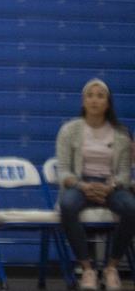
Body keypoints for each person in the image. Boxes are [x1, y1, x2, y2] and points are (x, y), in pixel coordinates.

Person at [56, 79, 133, 289]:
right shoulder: (69, 130)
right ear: (83, 101)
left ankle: (111, 268)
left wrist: (111, 187)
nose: (94, 100)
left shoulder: (121, 133)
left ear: (108, 103)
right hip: (79, 184)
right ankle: (87, 269)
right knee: (67, 205)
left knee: (131, 208)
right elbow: (63, 170)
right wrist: (82, 186)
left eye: (100, 96)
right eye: (90, 96)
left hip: (110, 186)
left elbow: (124, 174)